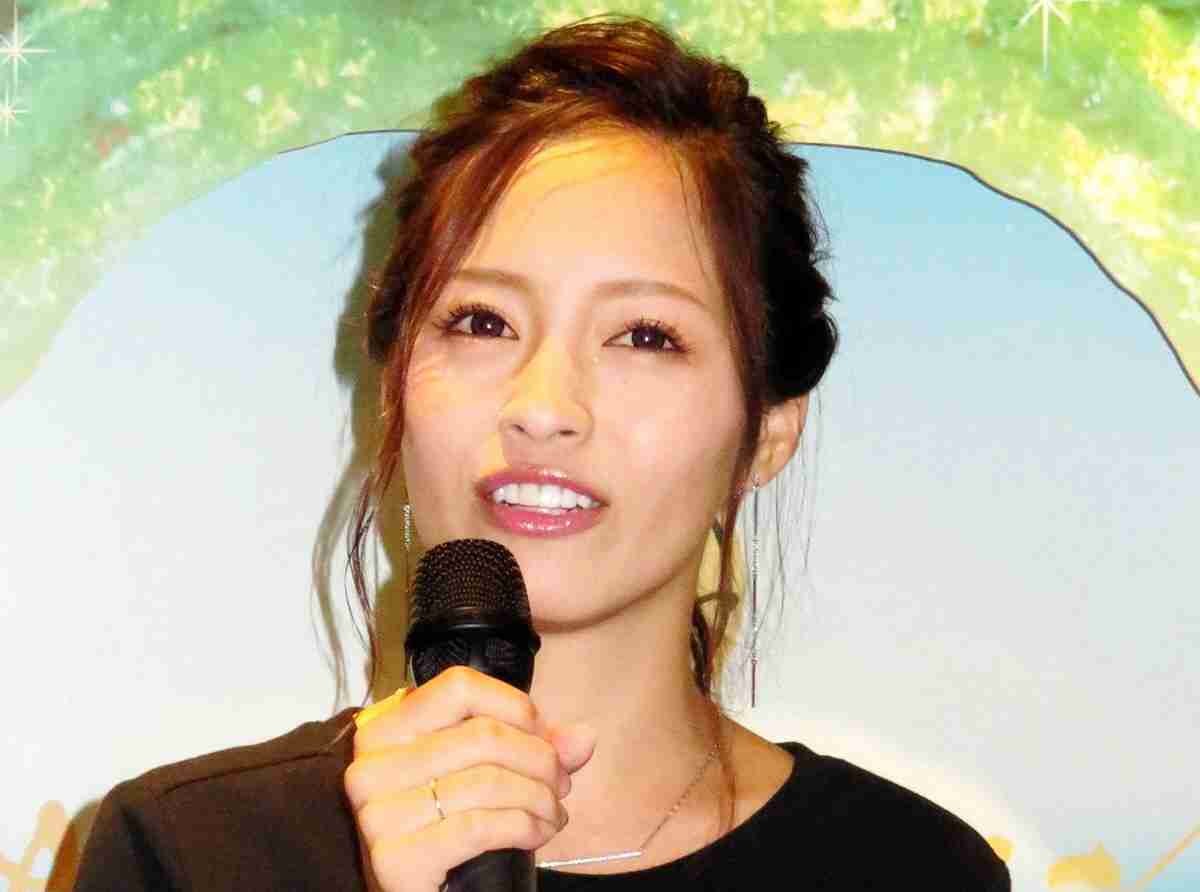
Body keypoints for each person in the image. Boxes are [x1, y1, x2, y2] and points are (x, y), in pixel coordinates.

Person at [74, 15, 1010, 892]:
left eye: (645, 336)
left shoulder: (911, 869)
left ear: (766, 431)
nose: (543, 408)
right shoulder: (189, 854)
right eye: (482, 322)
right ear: (396, 383)